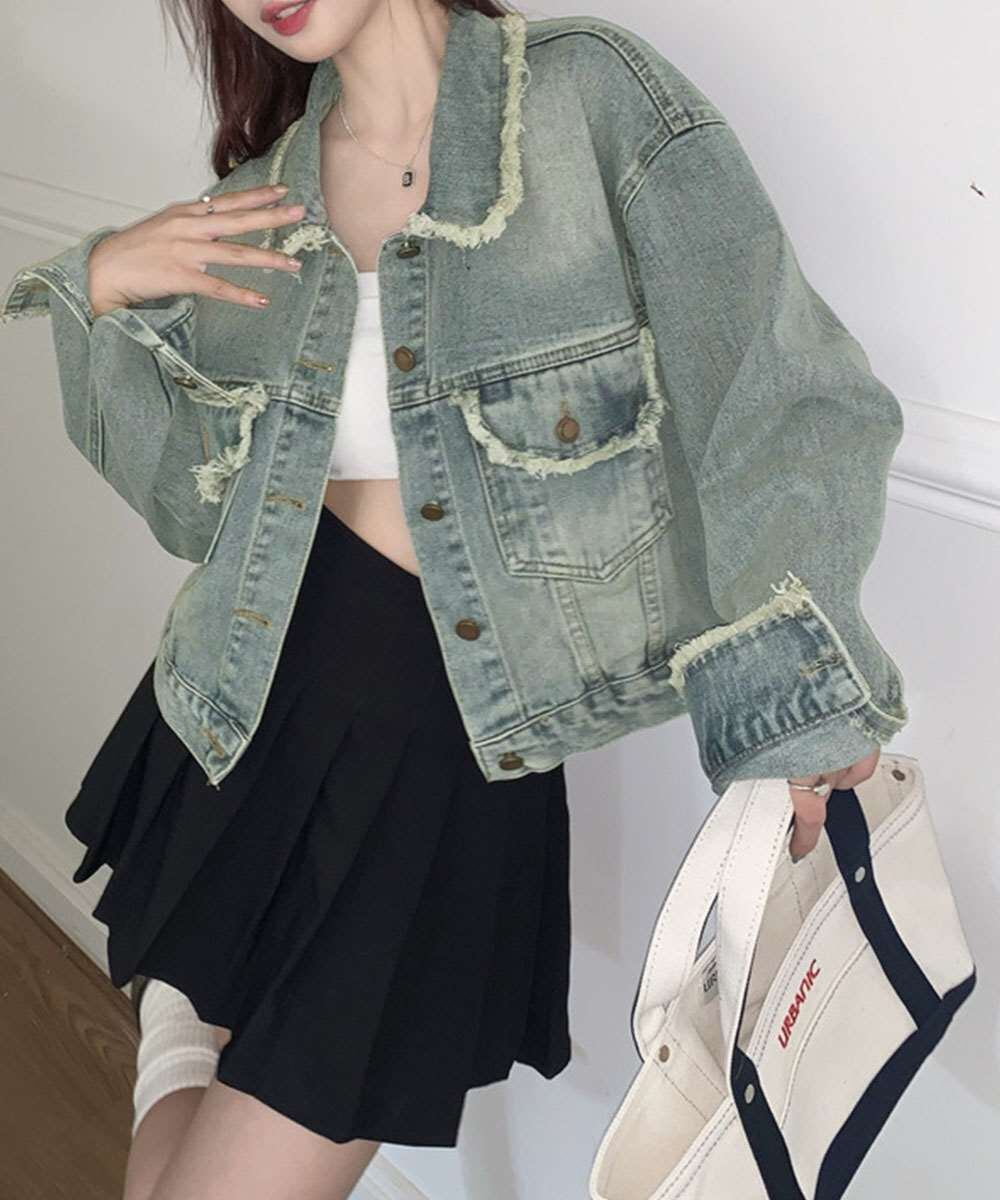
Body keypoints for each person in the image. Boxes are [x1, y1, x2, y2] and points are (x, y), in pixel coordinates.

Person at [1, 0, 906, 1196]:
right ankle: (185, 1020)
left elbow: (774, 395)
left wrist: (795, 712)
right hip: (242, 703)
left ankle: (183, 1020)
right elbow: (193, 510)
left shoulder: (586, 100)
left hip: (448, 751)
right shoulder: (264, 197)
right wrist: (98, 289)